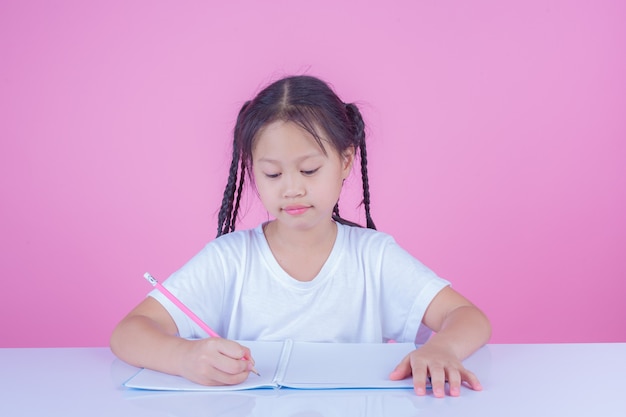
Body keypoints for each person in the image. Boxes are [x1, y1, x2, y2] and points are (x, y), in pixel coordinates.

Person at [110, 75, 491, 398]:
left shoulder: (373, 258)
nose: (291, 189)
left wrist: (442, 348)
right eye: (273, 175)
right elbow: (129, 333)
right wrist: (183, 358)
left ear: (345, 161)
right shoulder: (229, 259)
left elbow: (468, 316)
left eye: (309, 170)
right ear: (251, 170)